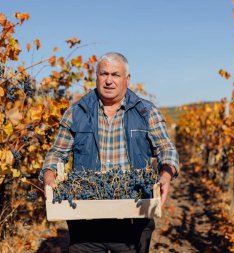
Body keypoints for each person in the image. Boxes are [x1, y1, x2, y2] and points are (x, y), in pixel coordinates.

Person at [40, 52, 179, 253]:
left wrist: (166, 174)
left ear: (127, 79)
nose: (109, 81)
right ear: (96, 76)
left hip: (134, 218)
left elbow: (166, 149)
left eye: (115, 75)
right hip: (85, 220)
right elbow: (57, 153)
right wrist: (49, 175)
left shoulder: (146, 112)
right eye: (104, 74)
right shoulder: (77, 112)